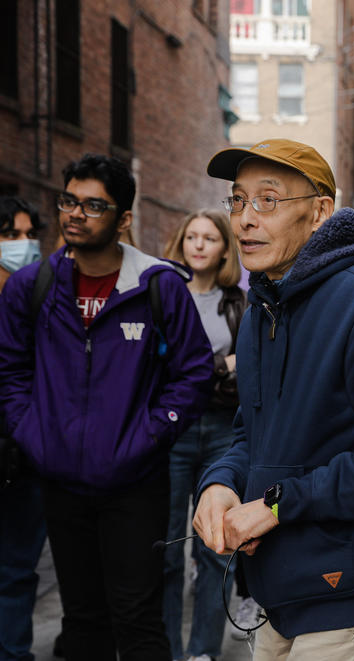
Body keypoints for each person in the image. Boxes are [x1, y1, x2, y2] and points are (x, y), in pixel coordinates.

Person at [191, 139, 354, 660]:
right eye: (237, 201)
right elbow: (252, 437)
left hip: (347, 599)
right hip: (278, 595)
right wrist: (220, 483)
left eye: (268, 200)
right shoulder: (264, 307)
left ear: (319, 212)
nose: (244, 220)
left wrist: (278, 506)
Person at [0, 154, 214, 661]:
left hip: (135, 484)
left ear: (122, 220)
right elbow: (10, 371)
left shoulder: (159, 286)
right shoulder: (33, 288)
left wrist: (151, 434)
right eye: (70, 201)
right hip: (61, 481)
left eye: (93, 205)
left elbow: (194, 373)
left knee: (139, 621)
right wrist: (33, 435)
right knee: (82, 624)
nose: (76, 213)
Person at [161, 209, 247, 661]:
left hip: (222, 428)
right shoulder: (162, 294)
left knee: (216, 547)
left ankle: (202, 652)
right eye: (191, 236)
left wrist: (199, 371)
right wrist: (217, 366)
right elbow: (163, 367)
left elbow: (247, 365)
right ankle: (169, 650)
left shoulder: (237, 302)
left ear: (223, 248)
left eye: (209, 237)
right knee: (169, 550)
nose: (198, 245)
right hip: (172, 430)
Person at [0, 196, 45, 661]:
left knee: (17, 570)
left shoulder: (39, 297)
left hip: (24, 461)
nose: (24, 245)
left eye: (30, 234)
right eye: (11, 235)